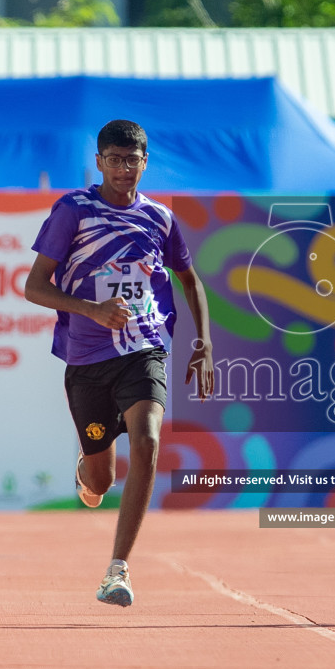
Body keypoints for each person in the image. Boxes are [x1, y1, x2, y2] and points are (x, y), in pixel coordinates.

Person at [24, 119, 214, 607]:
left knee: (149, 439)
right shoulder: (74, 211)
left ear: (145, 162)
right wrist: (91, 309)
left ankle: (118, 569)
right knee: (102, 478)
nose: (124, 169)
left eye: (133, 160)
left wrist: (204, 343)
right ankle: (89, 474)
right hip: (87, 357)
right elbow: (35, 286)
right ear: (99, 162)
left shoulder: (160, 218)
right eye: (115, 159)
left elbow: (190, 280)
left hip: (143, 347)